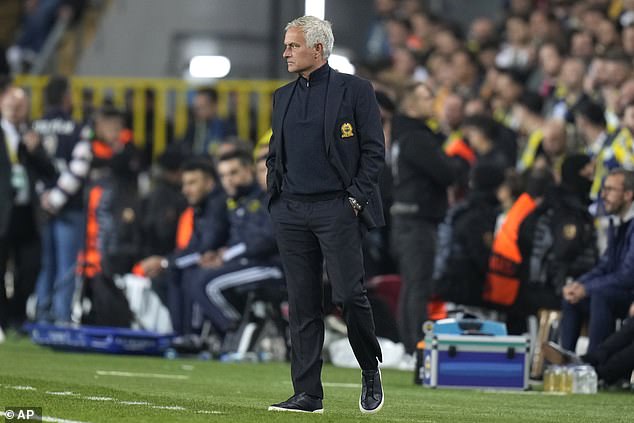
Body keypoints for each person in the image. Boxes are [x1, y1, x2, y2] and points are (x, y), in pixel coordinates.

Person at [266, 16, 385, 414]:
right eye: (286, 45)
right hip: (292, 210)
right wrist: (277, 198)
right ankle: (308, 394)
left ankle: (369, 368)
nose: (285, 52)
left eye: (292, 46)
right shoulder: (281, 96)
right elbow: (274, 152)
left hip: (337, 207)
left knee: (350, 295)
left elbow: (374, 153)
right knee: (302, 303)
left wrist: (353, 200)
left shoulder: (356, 90)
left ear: (317, 50)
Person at [390, 82, 454, 355]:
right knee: (418, 285)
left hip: (407, 219)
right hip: (417, 220)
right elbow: (446, 172)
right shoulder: (416, 138)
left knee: (412, 285)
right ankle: (416, 346)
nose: (434, 103)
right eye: (428, 98)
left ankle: (409, 344)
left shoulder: (403, 134)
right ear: (412, 106)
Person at [192, 150, 282, 342]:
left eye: (233, 173)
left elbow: (266, 239)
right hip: (249, 262)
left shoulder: (271, 199)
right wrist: (217, 255)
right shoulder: (239, 201)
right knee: (199, 276)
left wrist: (226, 255)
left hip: (270, 265)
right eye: (223, 175)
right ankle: (209, 335)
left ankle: (237, 332)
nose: (228, 180)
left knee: (208, 284)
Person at [138, 157, 228, 336]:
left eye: (192, 183)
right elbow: (193, 247)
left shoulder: (217, 206)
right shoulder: (201, 208)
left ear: (209, 183)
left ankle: (193, 335)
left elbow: (206, 248)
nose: (185, 190)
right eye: (184, 184)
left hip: (221, 262)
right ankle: (181, 335)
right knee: (166, 276)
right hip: (210, 260)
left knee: (187, 275)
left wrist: (165, 263)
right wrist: (166, 262)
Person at [33, 76, 91, 324]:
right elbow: (79, 168)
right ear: (66, 96)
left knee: (46, 263)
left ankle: (41, 313)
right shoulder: (77, 128)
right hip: (70, 207)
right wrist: (58, 198)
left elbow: (29, 167)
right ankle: (61, 316)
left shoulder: (36, 127)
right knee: (67, 265)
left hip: (41, 206)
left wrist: (44, 197)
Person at [560, 168, 634, 353]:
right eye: (603, 189)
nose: (603, 195)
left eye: (610, 189)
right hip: (615, 289)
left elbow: (627, 275)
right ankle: (563, 361)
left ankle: (595, 365)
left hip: (628, 293)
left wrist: (589, 289)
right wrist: (579, 285)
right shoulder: (616, 222)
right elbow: (605, 266)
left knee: (600, 297)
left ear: (628, 195)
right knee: (571, 299)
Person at [0, 87, 56, 331]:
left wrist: (35, 151)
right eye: (11, 101)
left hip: (27, 213)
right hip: (2, 212)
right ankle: (3, 319)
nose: (15, 107)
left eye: (21, 103)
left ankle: (16, 315)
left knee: (32, 266)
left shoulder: (30, 135)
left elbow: (50, 172)